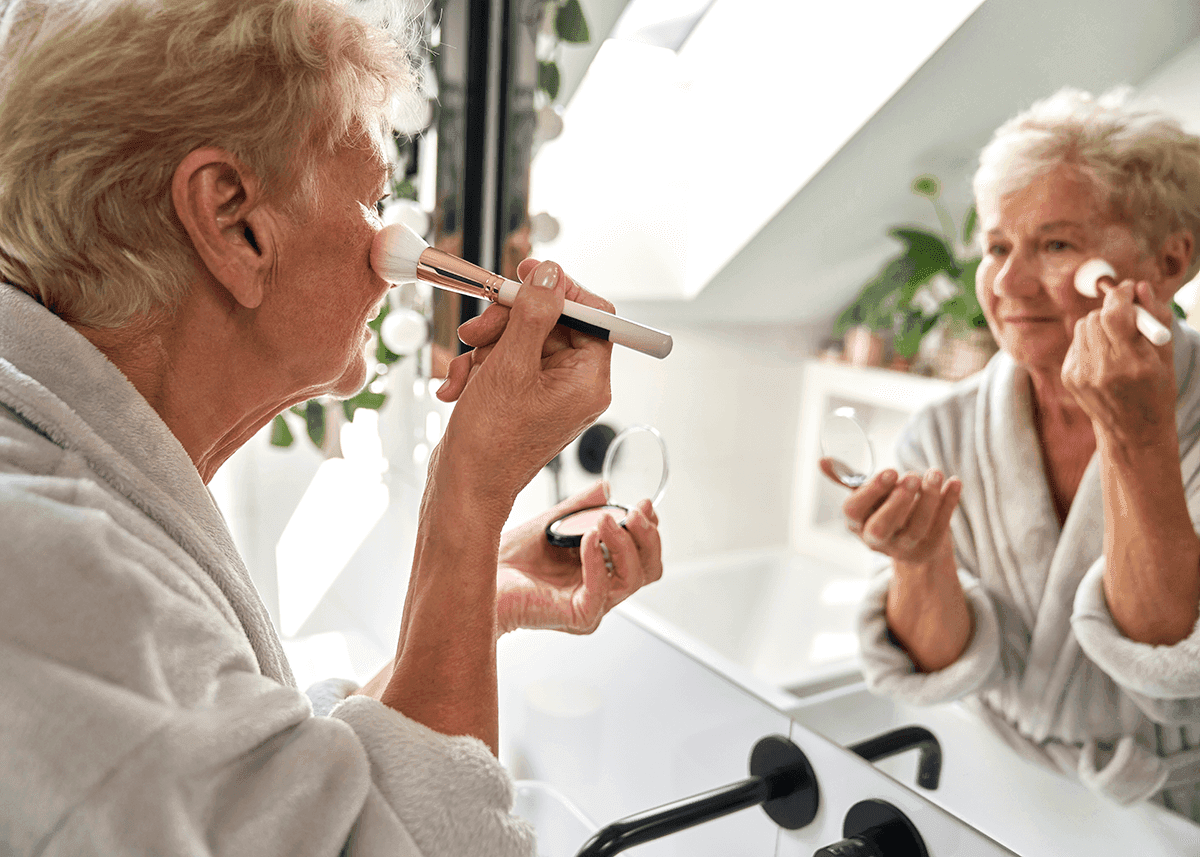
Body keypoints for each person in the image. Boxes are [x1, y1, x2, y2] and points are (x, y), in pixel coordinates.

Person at [0, 1, 662, 854]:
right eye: (375, 196)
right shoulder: (63, 577)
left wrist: (471, 598)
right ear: (234, 221)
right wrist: (467, 503)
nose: (393, 235)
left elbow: (285, 806)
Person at [824, 87, 1200, 822]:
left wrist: (1138, 436)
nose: (1006, 284)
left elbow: (1172, 666)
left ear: (1171, 257)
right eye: (997, 246)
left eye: (1056, 245)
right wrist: (920, 558)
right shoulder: (945, 429)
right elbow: (938, 663)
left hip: (1165, 816)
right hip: (995, 790)